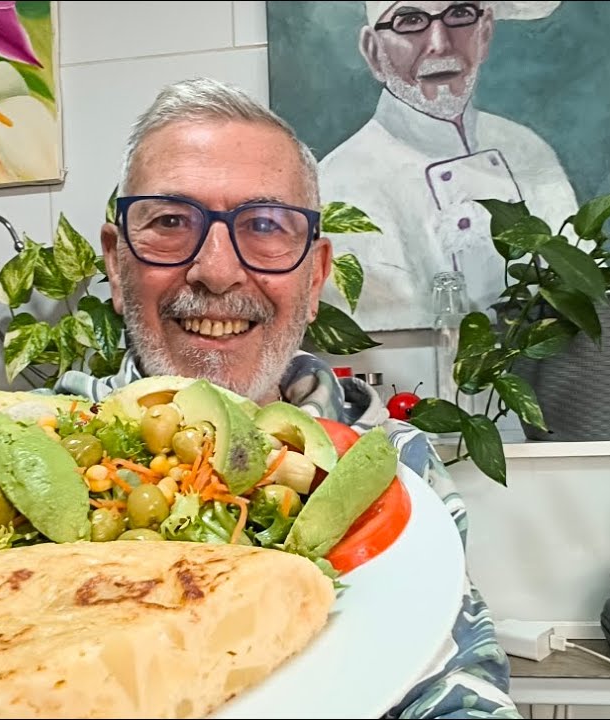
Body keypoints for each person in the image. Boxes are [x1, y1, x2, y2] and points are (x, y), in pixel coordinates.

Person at [51, 77, 523, 718]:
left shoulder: (396, 467)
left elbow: (456, 689)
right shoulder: (40, 443)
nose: (216, 270)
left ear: (317, 272)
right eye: (169, 221)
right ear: (115, 260)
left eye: (265, 225)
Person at [318, 0, 578, 331]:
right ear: (373, 51)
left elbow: (579, 291)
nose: (440, 43)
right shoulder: (341, 182)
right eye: (410, 20)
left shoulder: (526, 149)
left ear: (484, 32)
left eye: (459, 14)